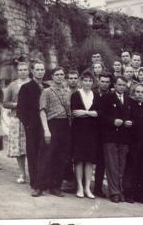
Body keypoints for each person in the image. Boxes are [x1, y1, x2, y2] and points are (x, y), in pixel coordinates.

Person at [37, 67, 72, 197]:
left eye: (62, 74)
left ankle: (55, 186)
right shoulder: (46, 91)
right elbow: (42, 111)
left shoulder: (67, 92)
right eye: (57, 74)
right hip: (52, 124)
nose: (59, 77)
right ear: (52, 76)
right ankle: (39, 186)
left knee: (61, 157)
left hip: (64, 125)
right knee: (45, 156)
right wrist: (46, 130)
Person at [101, 76, 135, 203]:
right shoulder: (107, 98)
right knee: (112, 165)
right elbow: (101, 116)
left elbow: (133, 118)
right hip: (110, 136)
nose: (122, 87)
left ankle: (119, 190)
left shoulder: (129, 100)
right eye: (119, 84)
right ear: (114, 85)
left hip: (124, 137)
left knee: (121, 166)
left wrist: (131, 122)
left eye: (124, 85)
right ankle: (114, 192)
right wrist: (113, 121)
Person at [17, 60, 48, 196]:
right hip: (33, 127)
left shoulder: (47, 87)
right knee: (33, 154)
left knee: (46, 154)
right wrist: (28, 125)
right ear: (33, 71)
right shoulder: (26, 88)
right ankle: (36, 184)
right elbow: (20, 110)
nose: (40, 72)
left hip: (47, 126)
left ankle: (46, 182)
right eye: (37, 69)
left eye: (42, 69)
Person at [70, 71, 101, 199]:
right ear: (81, 81)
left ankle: (88, 187)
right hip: (78, 132)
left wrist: (84, 112)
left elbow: (99, 113)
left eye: (90, 81)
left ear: (92, 82)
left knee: (89, 160)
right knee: (79, 159)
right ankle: (80, 187)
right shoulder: (76, 95)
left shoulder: (96, 95)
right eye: (85, 80)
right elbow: (74, 112)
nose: (87, 83)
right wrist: (90, 113)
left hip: (92, 133)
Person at [3, 61, 31, 183]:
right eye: (20, 70)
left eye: (25, 69)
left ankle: (33, 173)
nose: (23, 72)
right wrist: (16, 105)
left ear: (29, 71)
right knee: (20, 148)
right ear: (17, 71)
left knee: (31, 147)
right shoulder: (13, 85)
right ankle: (22, 173)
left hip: (32, 120)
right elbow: (5, 103)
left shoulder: (33, 83)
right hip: (17, 119)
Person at [92, 73, 113, 197]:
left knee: (101, 162)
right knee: (87, 159)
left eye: (107, 82)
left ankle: (98, 188)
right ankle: (83, 185)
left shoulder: (111, 96)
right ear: (98, 81)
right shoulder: (92, 93)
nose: (104, 84)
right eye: (102, 81)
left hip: (105, 132)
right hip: (91, 131)